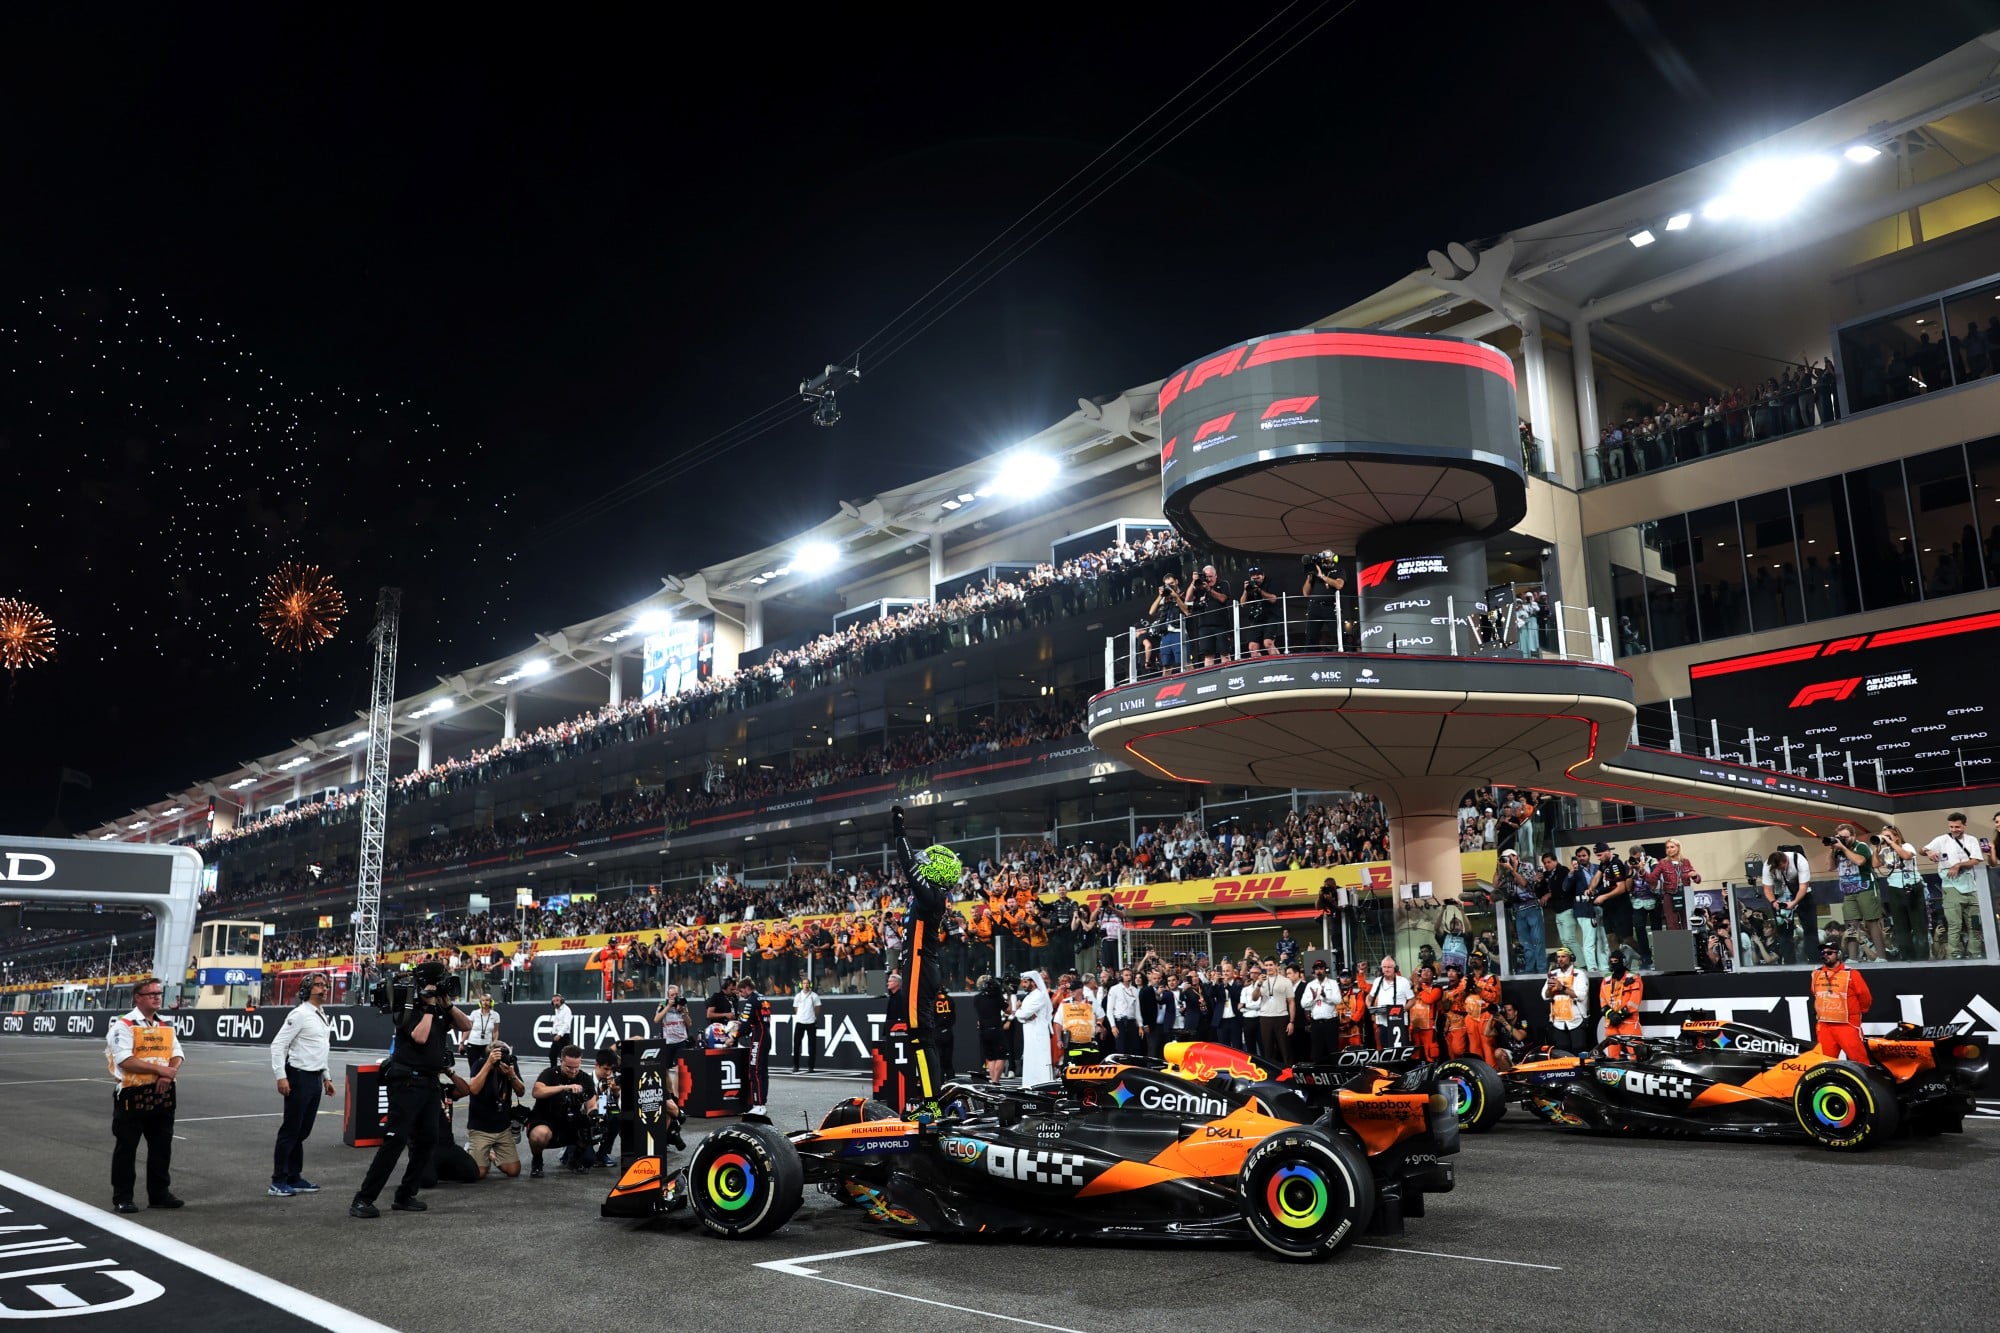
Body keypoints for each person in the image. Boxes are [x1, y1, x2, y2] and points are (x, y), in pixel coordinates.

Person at [351, 961, 470, 1218]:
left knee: (428, 1140)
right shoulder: (407, 1006)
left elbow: (466, 1026)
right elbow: (420, 1037)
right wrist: (429, 1007)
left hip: (429, 1083)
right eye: (441, 979)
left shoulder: (441, 1007)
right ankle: (363, 1199)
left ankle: (405, 1195)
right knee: (395, 1140)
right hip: (407, 1082)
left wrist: (446, 1004)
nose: (445, 983)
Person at [889, 803, 957, 1113]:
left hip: (920, 966)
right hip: (920, 965)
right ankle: (931, 1101)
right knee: (921, 1037)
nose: (922, 864)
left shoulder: (931, 896)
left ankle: (931, 1104)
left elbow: (907, 863)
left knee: (920, 1037)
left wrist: (899, 830)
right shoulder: (932, 897)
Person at [106, 977, 185, 1214]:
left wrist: (167, 1075)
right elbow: (125, 1060)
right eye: (151, 994)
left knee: (162, 1147)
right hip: (132, 1094)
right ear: (137, 998)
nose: (157, 997)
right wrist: (162, 1070)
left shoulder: (165, 1024)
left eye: (159, 993)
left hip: (163, 1091)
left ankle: (159, 1194)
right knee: (127, 1148)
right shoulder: (124, 1025)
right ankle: (123, 1197)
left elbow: (177, 1053)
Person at [268, 972, 338, 1197]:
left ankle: (294, 1177)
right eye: (318, 985)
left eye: (325, 985)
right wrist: (281, 1076)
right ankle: (278, 1181)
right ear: (307, 989)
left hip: (315, 1078)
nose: (324, 988)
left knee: (302, 1132)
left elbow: (320, 1049)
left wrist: (326, 1077)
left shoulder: (321, 1014)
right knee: (291, 1131)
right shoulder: (299, 1014)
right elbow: (278, 1045)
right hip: (299, 1077)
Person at [1923, 813, 1986, 959]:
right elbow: (1922, 849)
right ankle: (1955, 954)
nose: (1954, 829)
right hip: (1951, 887)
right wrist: (1928, 851)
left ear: (1964, 825)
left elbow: (1976, 860)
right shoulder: (1942, 839)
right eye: (1951, 827)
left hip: (1971, 887)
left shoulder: (1971, 840)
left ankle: (1975, 953)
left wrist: (1958, 865)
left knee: (1975, 924)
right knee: (1954, 925)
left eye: (1957, 827)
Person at [526, 1046, 595, 1176]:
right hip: (546, 1118)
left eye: (576, 1067)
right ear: (561, 1061)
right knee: (539, 1135)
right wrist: (564, 1087)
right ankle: (537, 1160)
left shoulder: (585, 1078)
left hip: (570, 1120)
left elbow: (591, 1105)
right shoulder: (549, 1073)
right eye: (569, 1067)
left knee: (590, 1151)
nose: (573, 1071)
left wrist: (594, 1118)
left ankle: (574, 1159)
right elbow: (537, 1092)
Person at [463, 1040, 525, 1179]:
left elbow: (521, 1092)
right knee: (479, 1173)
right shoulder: (480, 1064)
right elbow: (473, 1089)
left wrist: (512, 1075)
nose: (503, 1060)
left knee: (513, 1171)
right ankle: (470, 1149)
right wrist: (489, 1064)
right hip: (481, 1129)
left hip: (503, 1129)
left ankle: (490, 1155)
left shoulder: (510, 1064)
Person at [1827, 823, 1886, 962]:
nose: (1843, 840)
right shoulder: (1838, 849)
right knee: (1851, 924)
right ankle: (1853, 957)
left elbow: (1860, 861)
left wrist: (1843, 848)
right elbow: (1830, 867)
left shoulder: (1861, 846)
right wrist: (1832, 849)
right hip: (1848, 891)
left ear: (1853, 836)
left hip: (1866, 888)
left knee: (1871, 922)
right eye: (1840, 837)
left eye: (1846, 837)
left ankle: (1881, 957)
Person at [1811, 940, 1873, 1061]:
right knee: (1824, 1062)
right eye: (1823, 953)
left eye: (1829, 953)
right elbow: (1815, 993)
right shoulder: (1816, 973)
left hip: (1847, 1025)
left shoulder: (1851, 974)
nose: (1825, 955)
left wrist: (1855, 1014)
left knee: (1859, 1062)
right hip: (1824, 1025)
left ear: (1838, 954)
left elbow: (1865, 998)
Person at [1762, 846, 1814, 965]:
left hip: (1801, 894)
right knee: (1784, 933)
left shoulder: (1800, 861)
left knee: (1810, 929)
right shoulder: (1768, 865)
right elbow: (1767, 888)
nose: (1779, 870)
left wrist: (1794, 902)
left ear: (1785, 861)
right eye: (1776, 869)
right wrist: (1773, 901)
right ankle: (1789, 963)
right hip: (1781, 896)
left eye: (1781, 868)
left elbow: (1803, 887)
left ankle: (1814, 960)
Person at [734, 976, 771, 1116]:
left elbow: (744, 1025)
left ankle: (758, 1104)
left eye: (741, 991)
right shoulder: (762, 998)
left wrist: (733, 1036)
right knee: (763, 1071)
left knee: (755, 1070)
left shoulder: (751, 1001)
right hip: (766, 1035)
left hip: (758, 1037)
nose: (740, 994)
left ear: (746, 988)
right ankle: (762, 1103)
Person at [1544, 947, 1589, 1054]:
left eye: (1563, 956)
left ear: (1571, 958)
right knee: (1562, 1053)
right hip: (1558, 1022)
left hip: (1576, 1020)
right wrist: (1550, 989)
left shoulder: (1579, 974)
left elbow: (1581, 995)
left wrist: (1562, 988)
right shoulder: (1553, 974)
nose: (1560, 959)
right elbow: (1545, 996)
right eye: (1558, 957)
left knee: (1579, 1050)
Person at [1598, 953, 1643, 1056]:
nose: (1614, 964)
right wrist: (1611, 1014)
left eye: (1616, 961)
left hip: (1628, 1021)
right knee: (1612, 1056)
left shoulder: (1633, 977)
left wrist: (1619, 1015)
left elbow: (1635, 1002)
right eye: (1611, 961)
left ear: (1623, 962)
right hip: (1611, 1022)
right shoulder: (1606, 979)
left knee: (1637, 1054)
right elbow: (1602, 999)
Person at [1365, 956, 1413, 1049]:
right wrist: (1371, 1009)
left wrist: (1402, 1010)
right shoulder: (1377, 981)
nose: (1386, 970)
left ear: (1395, 968)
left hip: (1399, 1022)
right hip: (1382, 1023)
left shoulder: (1403, 981)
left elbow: (1412, 1000)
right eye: (1384, 967)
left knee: (1400, 1050)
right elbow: (1369, 997)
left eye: (1389, 967)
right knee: (1385, 1050)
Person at [1015, 971, 1053, 1086]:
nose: (1023, 985)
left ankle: (1044, 1086)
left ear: (1034, 982)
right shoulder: (1029, 997)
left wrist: (1019, 1011)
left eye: (1026, 982)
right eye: (1023, 982)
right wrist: (1023, 1015)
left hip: (1039, 1034)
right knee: (1030, 1060)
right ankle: (1030, 1085)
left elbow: (1023, 1013)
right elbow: (1022, 1017)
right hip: (1029, 1034)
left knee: (1041, 1061)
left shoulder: (1039, 996)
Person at [1301, 959, 1341, 1063]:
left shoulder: (1333, 983)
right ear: (1314, 971)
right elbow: (1303, 1004)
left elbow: (1338, 1000)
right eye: (1317, 969)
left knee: (1333, 1050)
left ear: (1326, 970)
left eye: (1321, 968)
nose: (1319, 971)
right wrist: (1314, 998)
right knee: (1317, 1051)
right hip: (1316, 1023)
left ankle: (1335, 1070)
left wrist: (1325, 996)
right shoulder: (1310, 985)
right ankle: (1319, 1071)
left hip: (1330, 1022)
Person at [791, 976, 822, 1073]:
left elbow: (818, 1007)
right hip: (800, 1022)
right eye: (804, 983)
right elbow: (795, 1008)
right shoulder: (798, 996)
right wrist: (801, 1016)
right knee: (796, 1045)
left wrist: (814, 1017)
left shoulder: (814, 996)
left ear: (810, 985)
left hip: (811, 1023)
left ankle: (811, 1067)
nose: (806, 985)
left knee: (812, 1046)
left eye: (807, 983)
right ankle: (796, 1066)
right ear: (801, 985)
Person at [463, 993, 500, 1070]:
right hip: (473, 1044)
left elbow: (495, 1031)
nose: (485, 1002)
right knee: (473, 1067)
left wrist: (494, 1043)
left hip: (487, 1046)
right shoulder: (474, 1013)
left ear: (491, 1002)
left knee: (487, 1067)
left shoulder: (495, 1015)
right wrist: (462, 1042)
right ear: (480, 1002)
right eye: (483, 1000)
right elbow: (468, 1028)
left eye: (487, 1000)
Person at [547, 993, 574, 1071]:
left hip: (563, 1036)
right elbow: (557, 1022)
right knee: (552, 1055)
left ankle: (566, 1071)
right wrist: (553, 1031)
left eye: (557, 1000)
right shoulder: (557, 1010)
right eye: (554, 1001)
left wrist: (559, 1034)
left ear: (562, 1001)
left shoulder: (566, 1010)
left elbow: (566, 1024)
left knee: (564, 1057)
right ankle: (553, 1071)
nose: (555, 1003)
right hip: (557, 1035)